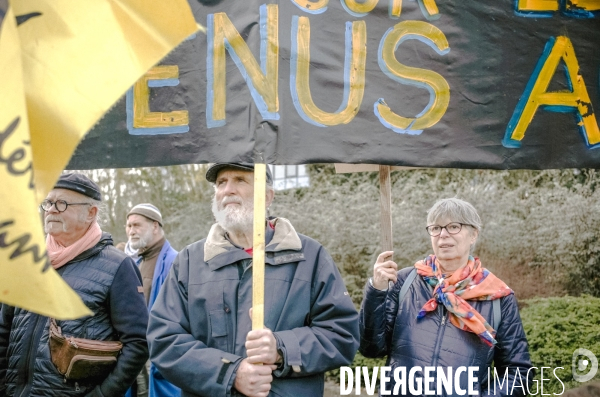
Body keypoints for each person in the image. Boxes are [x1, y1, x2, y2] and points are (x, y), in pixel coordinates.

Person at [147, 163, 359, 397]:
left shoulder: (310, 256)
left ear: (267, 197)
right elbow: (164, 341)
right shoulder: (189, 262)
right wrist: (230, 373)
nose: (228, 189)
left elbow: (341, 335)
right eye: (221, 182)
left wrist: (280, 349)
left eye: (240, 180)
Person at [359, 198, 534, 396]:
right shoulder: (404, 282)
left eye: (453, 226)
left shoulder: (497, 296)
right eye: (436, 228)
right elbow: (370, 348)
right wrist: (377, 290)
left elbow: (518, 373)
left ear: (473, 234)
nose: (443, 234)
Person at [0, 173, 149, 396]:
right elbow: (4, 330)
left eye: (61, 203)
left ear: (91, 213)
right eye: (48, 202)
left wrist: (102, 394)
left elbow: (138, 343)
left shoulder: (118, 266)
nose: (50, 210)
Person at [125, 203, 180, 397]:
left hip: (161, 358)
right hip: (135, 356)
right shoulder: (135, 263)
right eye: (129, 226)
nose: (131, 231)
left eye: (136, 225)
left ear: (155, 226)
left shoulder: (176, 262)